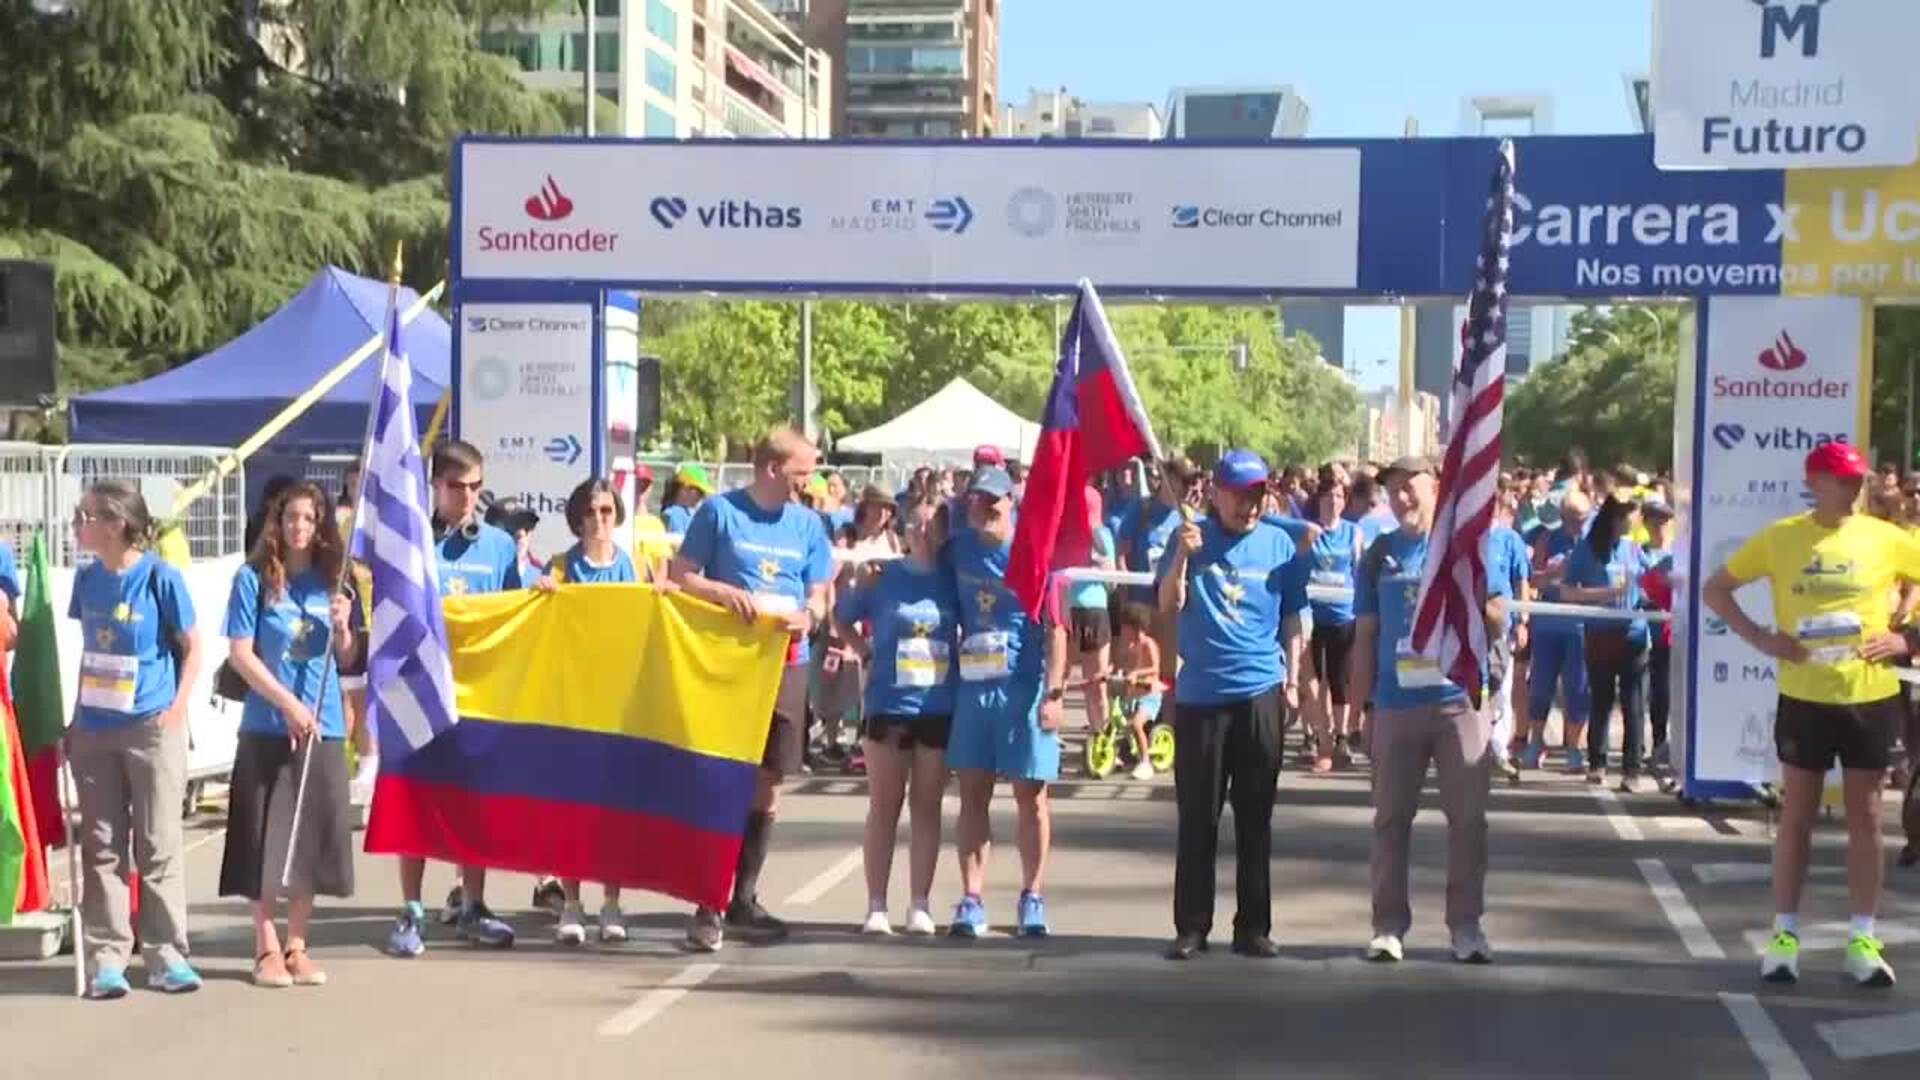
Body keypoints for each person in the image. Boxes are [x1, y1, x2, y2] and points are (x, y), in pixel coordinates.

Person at [1702, 441, 1916, 988]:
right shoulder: (1781, 537)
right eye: (1841, 480)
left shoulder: (1883, 536)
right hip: (1805, 696)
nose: (1851, 490)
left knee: (1866, 818)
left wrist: (1905, 636)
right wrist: (1761, 638)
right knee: (1796, 815)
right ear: (1815, 481)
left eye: (1857, 481)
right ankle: (1784, 936)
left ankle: (1863, 939)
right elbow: (1716, 589)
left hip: (1869, 695)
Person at [671, 428, 832, 952]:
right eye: (800, 475)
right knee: (725, 776)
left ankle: (745, 894)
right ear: (770, 469)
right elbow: (683, 576)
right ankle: (707, 902)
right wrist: (723, 593)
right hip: (728, 661)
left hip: (787, 663)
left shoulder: (809, 524)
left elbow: (820, 594)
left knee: (769, 780)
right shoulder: (719, 513)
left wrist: (810, 615)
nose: (807, 486)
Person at [1157, 450, 1306, 962]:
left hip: (1260, 691)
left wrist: (1293, 678)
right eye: (1240, 494)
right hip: (1202, 695)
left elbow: (1293, 616)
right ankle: (1192, 925)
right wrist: (1182, 556)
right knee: (1198, 816)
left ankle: (1253, 926)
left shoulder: (1279, 543)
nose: (1250, 504)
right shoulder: (1189, 535)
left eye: (1257, 494)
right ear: (1216, 492)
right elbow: (1167, 604)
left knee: (1255, 815)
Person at [1351, 457, 1494, 965]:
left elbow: (1497, 613)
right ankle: (1388, 926)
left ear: (1436, 487)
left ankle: (1466, 926)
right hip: (1395, 704)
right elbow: (1365, 635)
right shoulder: (1379, 555)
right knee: (1391, 819)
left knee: (1468, 820)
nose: (1402, 499)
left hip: (1459, 703)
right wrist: (1360, 709)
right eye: (1392, 491)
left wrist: (1469, 590)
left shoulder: (1468, 546)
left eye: (1410, 488)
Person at [385, 440, 523, 958]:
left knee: (475, 804)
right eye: (457, 486)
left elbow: (516, 611)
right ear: (435, 487)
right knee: (417, 801)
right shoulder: (413, 543)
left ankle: (473, 904)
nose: (467, 497)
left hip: (478, 694)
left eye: (475, 487)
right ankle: (411, 910)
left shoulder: (501, 547)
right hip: (417, 691)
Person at [66, 480, 204, 998]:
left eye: (86, 516)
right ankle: (107, 957)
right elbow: (90, 651)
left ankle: (166, 953)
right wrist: (76, 716)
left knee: (157, 842)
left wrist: (176, 707)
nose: (78, 525)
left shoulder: (160, 578)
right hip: (96, 729)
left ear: (117, 523)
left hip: (151, 724)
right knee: (101, 845)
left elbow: (193, 646)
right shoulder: (87, 581)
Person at [220, 480, 358, 989]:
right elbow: (241, 653)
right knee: (263, 838)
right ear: (276, 522)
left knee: (311, 838)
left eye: (309, 518)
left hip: (324, 725)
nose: (299, 527)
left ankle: (298, 943)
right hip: (267, 725)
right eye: (290, 517)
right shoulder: (253, 579)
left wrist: (344, 629)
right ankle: (266, 946)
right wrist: (286, 703)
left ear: (321, 526)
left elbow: (345, 660)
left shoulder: (334, 581)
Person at [947, 464, 1064, 938]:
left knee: (1030, 797)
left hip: (1023, 689)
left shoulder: (1035, 553)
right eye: (977, 500)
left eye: (993, 501)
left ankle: (1032, 895)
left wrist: (1054, 691)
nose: (985, 509)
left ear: (1011, 502)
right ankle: (971, 898)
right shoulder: (957, 550)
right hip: (974, 688)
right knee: (973, 793)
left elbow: (1057, 629)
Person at [833, 499, 959, 936]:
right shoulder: (883, 577)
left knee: (927, 808)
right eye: (915, 526)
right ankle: (876, 905)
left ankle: (920, 904)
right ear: (902, 532)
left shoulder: (953, 579)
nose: (923, 533)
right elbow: (841, 616)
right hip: (889, 704)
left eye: (931, 526)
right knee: (884, 808)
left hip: (938, 706)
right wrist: (865, 652)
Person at [530, 477, 638, 944]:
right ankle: (571, 904)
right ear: (577, 518)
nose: (599, 520)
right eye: (591, 512)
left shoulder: (628, 566)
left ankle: (612, 904)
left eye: (607, 511)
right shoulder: (561, 566)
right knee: (571, 809)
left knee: (612, 811)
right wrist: (540, 594)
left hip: (615, 702)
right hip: (571, 701)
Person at [1558, 494, 1651, 791]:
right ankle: (1597, 763)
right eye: (1626, 517)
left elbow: (1649, 583)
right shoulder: (1586, 550)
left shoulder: (1633, 549)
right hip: (1599, 635)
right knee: (1601, 700)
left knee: (1633, 702)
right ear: (1614, 521)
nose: (1631, 522)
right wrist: (1604, 595)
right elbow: (1567, 592)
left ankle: (1632, 770)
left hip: (1634, 634)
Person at [1520, 491, 1592, 772]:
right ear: (1562, 517)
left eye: (1583, 519)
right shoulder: (1547, 539)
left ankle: (1574, 748)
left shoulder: (1593, 542)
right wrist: (1552, 573)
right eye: (1573, 520)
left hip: (1580, 625)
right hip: (1548, 623)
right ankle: (1536, 742)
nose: (1578, 525)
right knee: (1540, 687)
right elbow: (1532, 579)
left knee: (1577, 689)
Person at [1304, 477, 1363, 773]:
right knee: (1314, 679)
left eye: (1340, 496)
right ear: (1320, 499)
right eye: (1329, 495)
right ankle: (1318, 735)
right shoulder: (1309, 531)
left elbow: (1359, 571)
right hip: (1312, 615)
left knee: (1340, 678)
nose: (1334, 501)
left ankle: (1341, 737)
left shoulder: (1353, 533)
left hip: (1343, 615)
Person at [1065, 487, 1118, 749]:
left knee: (1095, 681)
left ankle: (1101, 742)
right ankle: (1051, 737)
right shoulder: (1065, 533)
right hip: (1071, 610)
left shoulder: (1102, 534)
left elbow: (1112, 579)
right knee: (1067, 679)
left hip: (1090, 610)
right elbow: (1113, 583)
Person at [1484, 494, 1532, 782]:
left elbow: (1521, 580)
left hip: (1502, 620)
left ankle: (1498, 749)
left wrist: (1523, 620)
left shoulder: (1509, 538)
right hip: (1470, 617)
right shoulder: (1466, 535)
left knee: (1502, 684)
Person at [1639, 497, 1678, 770]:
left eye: (1664, 521)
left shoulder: (1680, 554)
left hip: (1674, 634)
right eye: (1654, 521)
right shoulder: (1638, 554)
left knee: (1670, 692)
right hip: (1646, 633)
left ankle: (1672, 745)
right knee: (1652, 693)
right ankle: (1656, 742)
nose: (1660, 527)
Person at [1112, 603, 1164, 779]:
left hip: (1149, 695)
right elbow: (1120, 664)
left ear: (1137, 627)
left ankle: (1145, 762)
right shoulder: (1127, 646)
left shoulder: (1148, 644)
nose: (1123, 631)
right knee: (1118, 723)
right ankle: (1120, 755)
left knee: (1136, 724)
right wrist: (1109, 670)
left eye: (1126, 627)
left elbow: (1155, 668)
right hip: (1132, 694)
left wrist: (1136, 673)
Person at [485, 497, 543, 584]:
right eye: (512, 527)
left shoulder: (543, 578)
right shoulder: (477, 573)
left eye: (527, 527)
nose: (521, 534)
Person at [662, 464, 712, 535]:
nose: (702, 497)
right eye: (700, 492)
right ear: (684, 489)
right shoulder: (672, 515)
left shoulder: (693, 514)